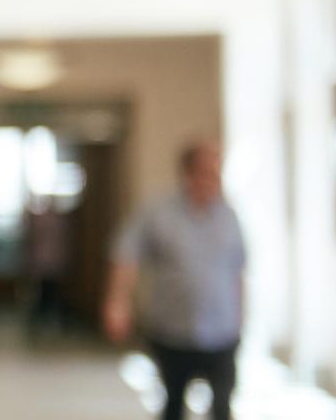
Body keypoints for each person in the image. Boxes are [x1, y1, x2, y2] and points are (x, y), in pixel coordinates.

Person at [104, 141, 247, 420]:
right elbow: (126, 255)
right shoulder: (158, 211)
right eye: (208, 171)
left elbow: (238, 270)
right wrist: (117, 302)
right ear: (188, 173)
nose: (214, 179)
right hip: (172, 331)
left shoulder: (229, 215)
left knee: (222, 406)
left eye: (217, 171)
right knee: (173, 405)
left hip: (222, 331)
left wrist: (242, 319)